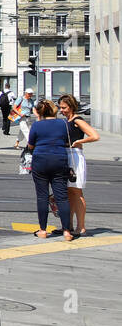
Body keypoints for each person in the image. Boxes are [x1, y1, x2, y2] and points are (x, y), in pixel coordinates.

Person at [25, 100, 75, 240]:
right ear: (54, 110)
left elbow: (31, 145)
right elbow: (67, 140)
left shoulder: (37, 125)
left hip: (40, 161)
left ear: (40, 112)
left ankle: (43, 230)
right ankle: (67, 231)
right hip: (59, 160)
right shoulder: (63, 124)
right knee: (62, 197)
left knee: (42, 196)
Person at [58, 94, 99, 236]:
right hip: (66, 155)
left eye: (64, 107)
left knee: (77, 191)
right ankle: (68, 225)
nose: (61, 110)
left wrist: (80, 142)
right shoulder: (67, 120)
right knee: (69, 192)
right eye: (60, 107)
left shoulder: (77, 120)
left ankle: (81, 227)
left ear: (71, 106)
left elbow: (94, 135)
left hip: (75, 156)